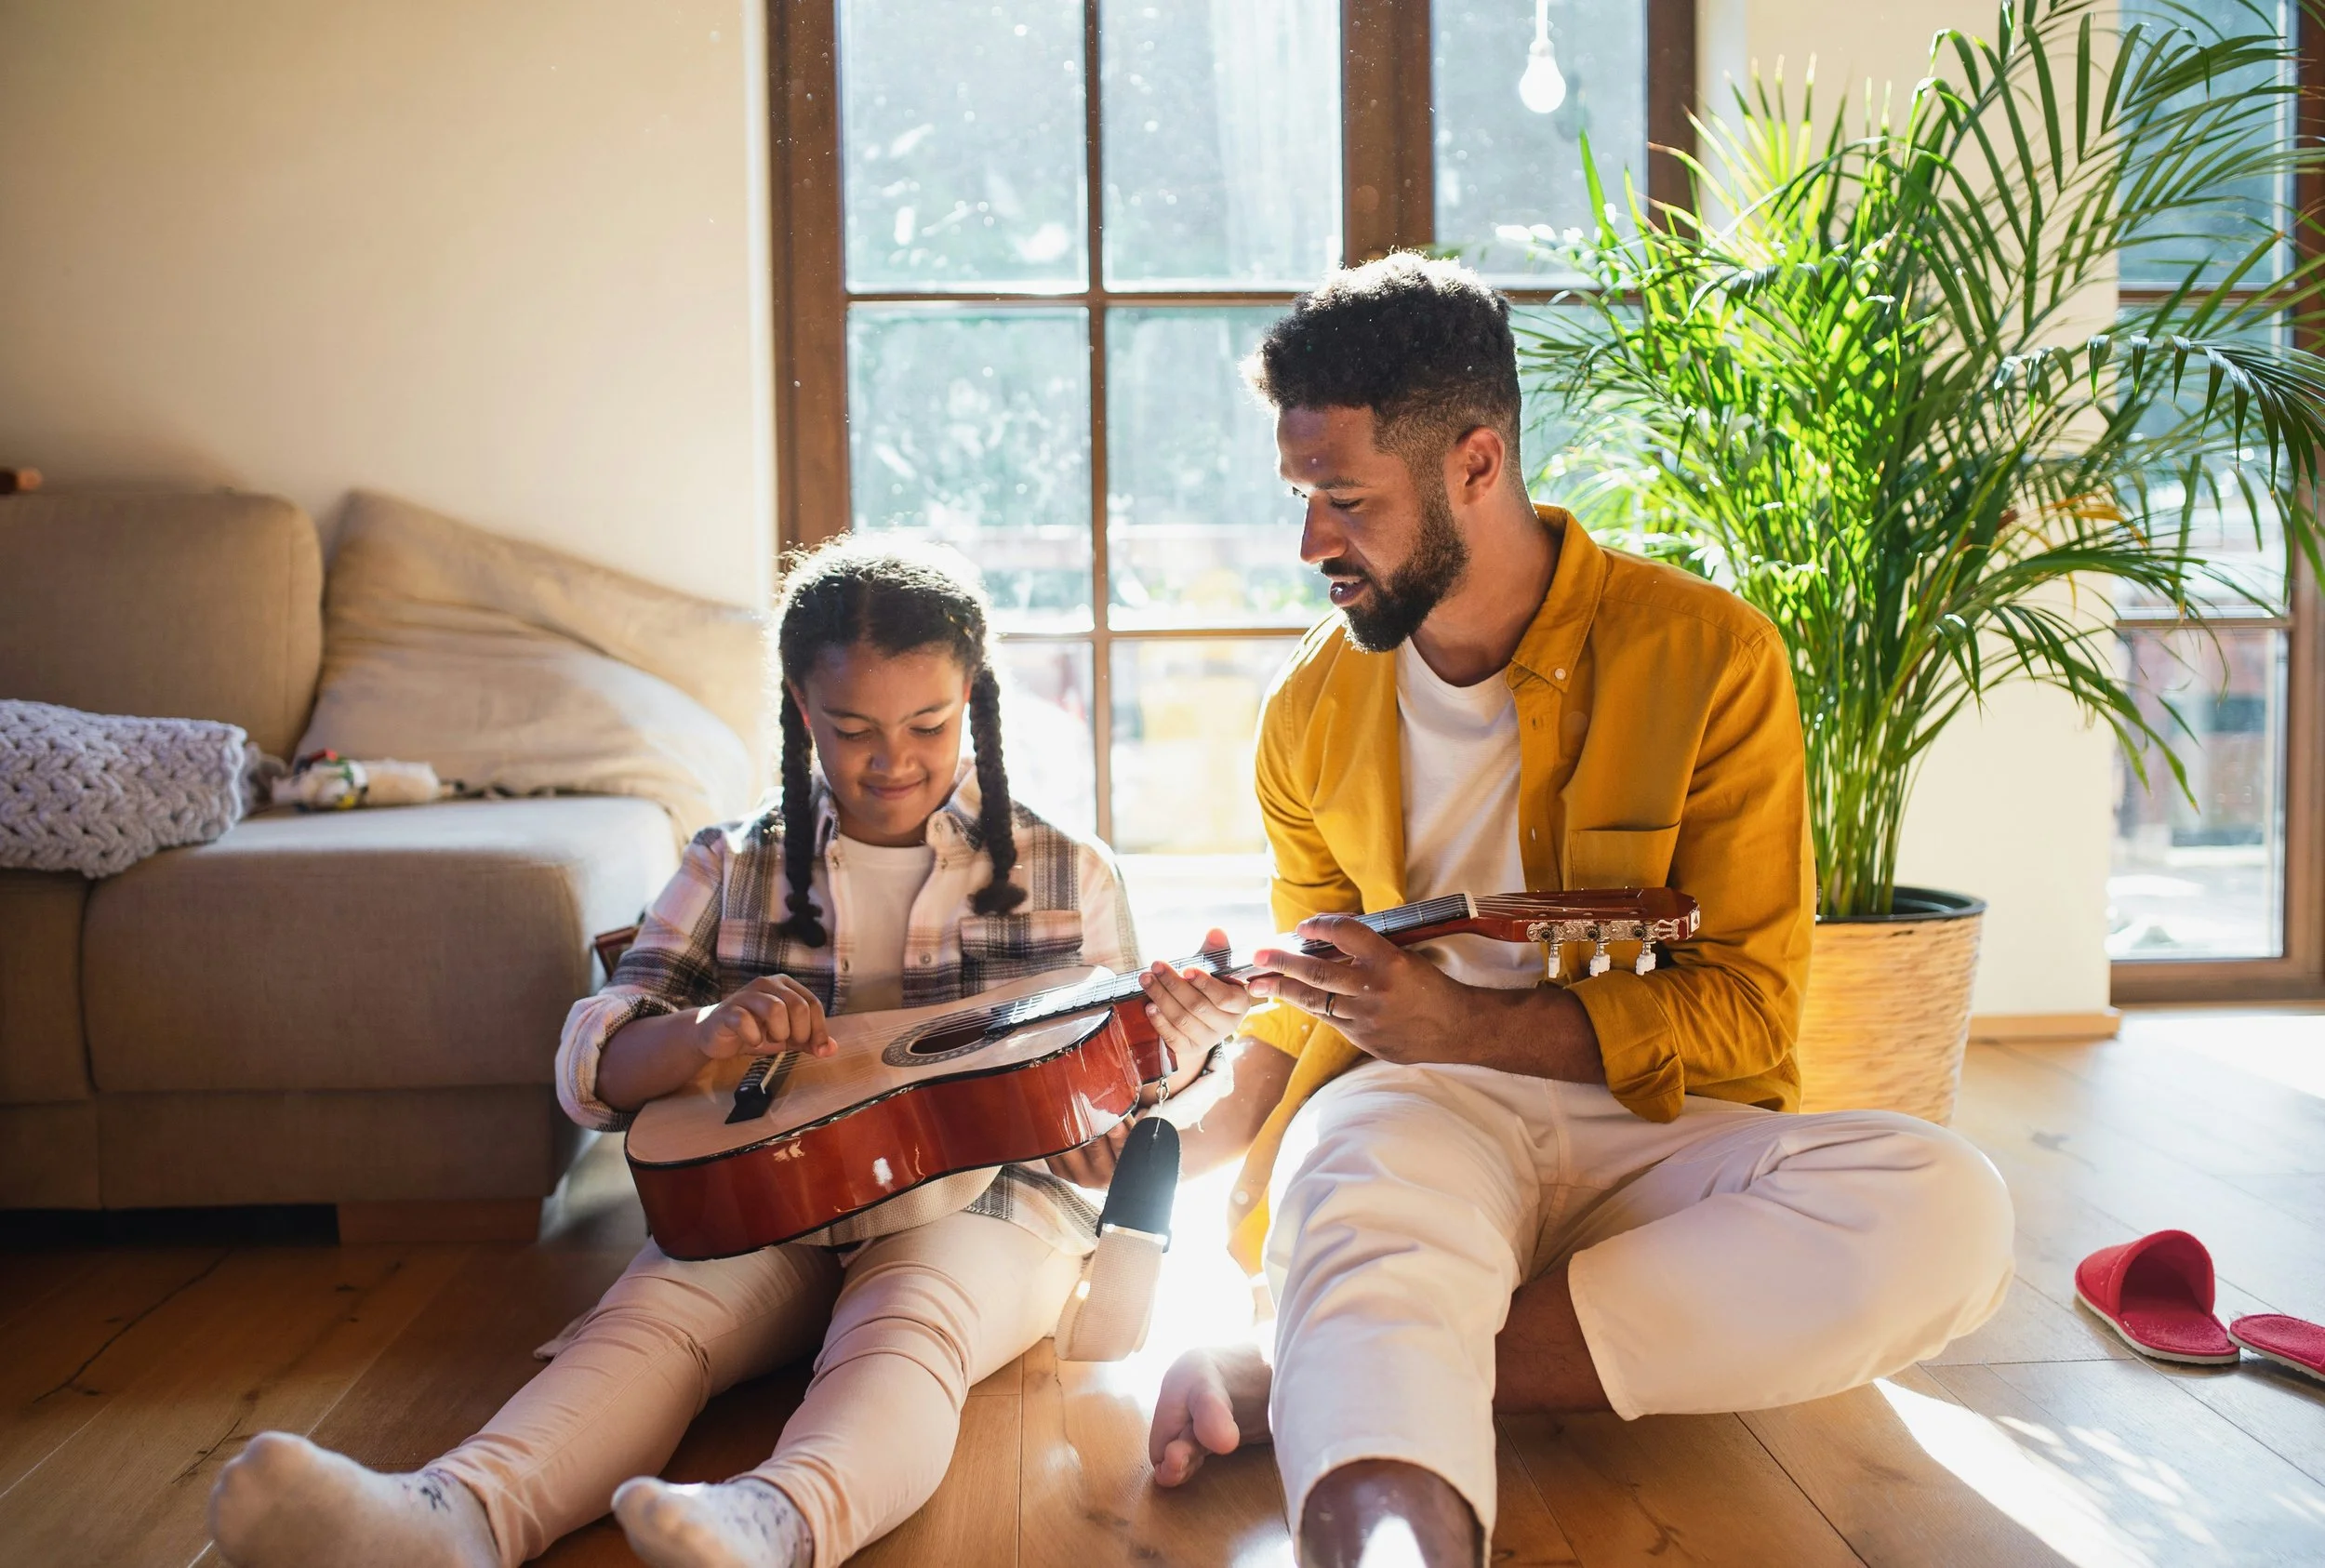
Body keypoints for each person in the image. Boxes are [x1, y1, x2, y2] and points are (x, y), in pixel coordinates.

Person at [1143, 254, 2017, 1566]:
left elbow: (1747, 1008)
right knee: (1356, 1184)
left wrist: (1458, 1023)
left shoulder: (1710, 656)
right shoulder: (1307, 710)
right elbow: (1302, 1016)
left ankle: (1337, 1366)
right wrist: (1166, 1141)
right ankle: (1386, 1438)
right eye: (1301, 497)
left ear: (1476, 463)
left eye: (1346, 500)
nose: (1312, 542)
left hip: (1663, 1133)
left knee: (1949, 1209)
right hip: (1414, 1119)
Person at [207, 539, 1250, 1568]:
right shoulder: (729, 862)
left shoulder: (1069, 868)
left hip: (991, 1198)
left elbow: (1136, 1083)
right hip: (772, 1188)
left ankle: (775, 1523)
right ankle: (452, 1516)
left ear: (974, 698)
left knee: (912, 1320)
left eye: (930, 725)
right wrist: (702, 1034)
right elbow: (595, 1068)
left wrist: (1142, 1099)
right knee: (655, 1318)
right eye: (852, 729)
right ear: (802, 708)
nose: (892, 761)